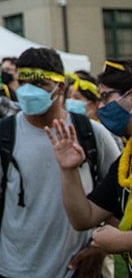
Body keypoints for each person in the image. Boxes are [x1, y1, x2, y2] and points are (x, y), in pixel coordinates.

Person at [0, 47, 120, 278]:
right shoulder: (1, 135)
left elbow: (120, 201)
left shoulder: (92, 134)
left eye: (40, 84)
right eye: (23, 83)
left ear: (60, 87)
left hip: (74, 270)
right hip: (14, 269)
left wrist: (99, 249)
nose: (29, 91)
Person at [46, 59, 132, 277]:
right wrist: (69, 171)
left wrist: (125, 240)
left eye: (105, 97)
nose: (101, 107)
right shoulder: (126, 162)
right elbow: (84, 217)